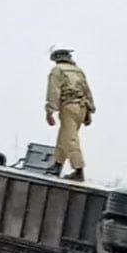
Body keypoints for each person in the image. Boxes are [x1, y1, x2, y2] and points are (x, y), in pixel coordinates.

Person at [44, 44, 95, 182]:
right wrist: (89, 111)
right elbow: (87, 91)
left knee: (70, 139)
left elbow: (54, 91)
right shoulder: (78, 71)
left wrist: (50, 111)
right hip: (82, 107)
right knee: (65, 136)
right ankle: (57, 165)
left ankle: (78, 169)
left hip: (69, 106)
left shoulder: (57, 70)